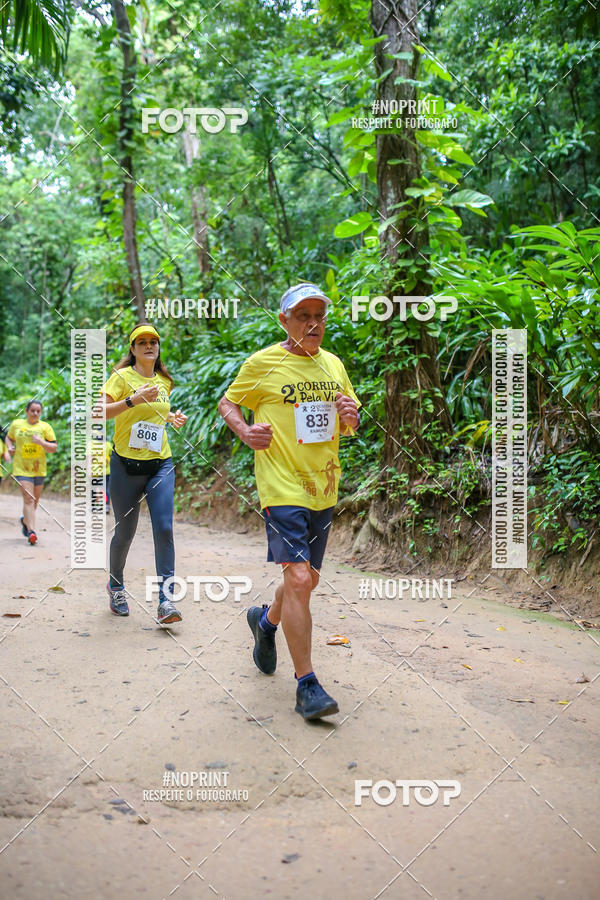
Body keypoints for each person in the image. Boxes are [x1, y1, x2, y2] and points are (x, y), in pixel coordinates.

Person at [218, 282, 360, 720]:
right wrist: (244, 431)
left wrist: (350, 416)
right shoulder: (263, 363)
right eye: (303, 315)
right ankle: (308, 686)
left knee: (307, 581)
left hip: (324, 486)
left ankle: (265, 623)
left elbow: (350, 418)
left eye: (318, 315)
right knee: (298, 580)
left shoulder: (333, 364)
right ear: (284, 320)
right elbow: (228, 402)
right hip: (280, 487)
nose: (313, 323)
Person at [97, 324, 188, 624]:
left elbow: (156, 414)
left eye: (154, 341)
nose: (149, 346)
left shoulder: (164, 381)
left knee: (164, 527)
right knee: (125, 533)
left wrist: (171, 417)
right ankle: (116, 585)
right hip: (125, 466)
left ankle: (166, 601)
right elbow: (98, 412)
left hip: (160, 463)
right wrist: (131, 401)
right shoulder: (121, 378)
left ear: (158, 348)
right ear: (133, 349)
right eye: (142, 342)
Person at [6, 400, 57, 544]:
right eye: (32, 410)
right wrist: (10, 448)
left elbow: (53, 447)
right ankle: (31, 532)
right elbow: (8, 439)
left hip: (38, 469)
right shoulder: (17, 424)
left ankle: (25, 520)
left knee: (34, 501)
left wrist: (41, 442)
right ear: (26, 411)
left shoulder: (45, 427)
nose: (35, 413)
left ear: (40, 413)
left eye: (38, 411)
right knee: (29, 499)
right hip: (21, 468)